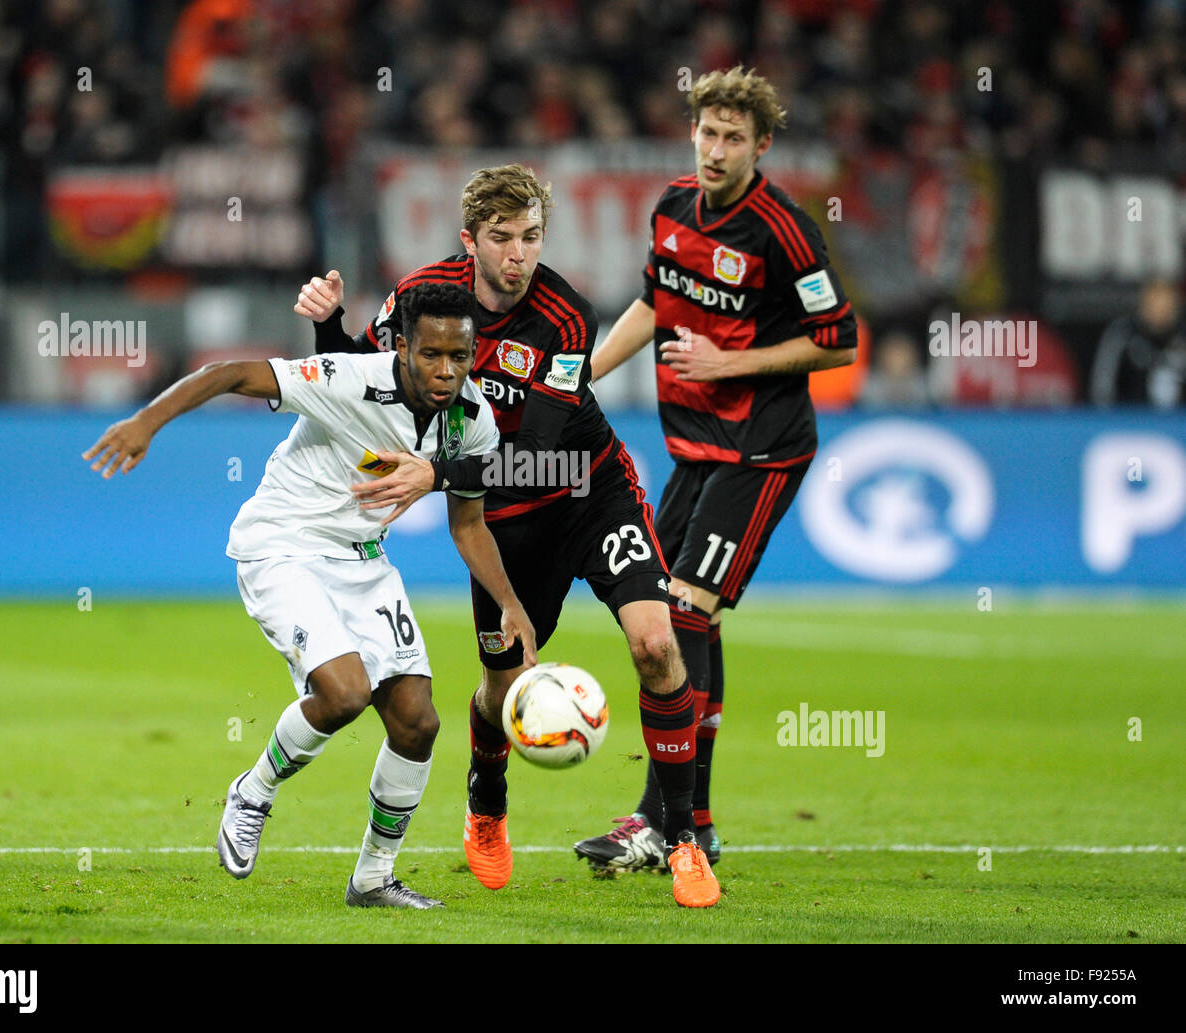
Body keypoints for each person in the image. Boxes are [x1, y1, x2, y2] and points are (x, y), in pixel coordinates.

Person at [293, 164, 720, 907]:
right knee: (502, 687)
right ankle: (487, 797)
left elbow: (541, 449)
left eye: (530, 237)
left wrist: (433, 470)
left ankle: (683, 839)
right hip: (506, 523)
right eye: (502, 238)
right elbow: (360, 375)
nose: (518, 254)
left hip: (588, 490)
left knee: (657, 644)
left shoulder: (564, 316)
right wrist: (327, 324)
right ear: (470, 241)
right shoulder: (425, 298)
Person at [82, 282, 537, 908]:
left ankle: (374, 878)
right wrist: (145, 421)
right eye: (431, 355)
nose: (445, 371)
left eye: (459, 357)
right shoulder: (347, 378)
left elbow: (468, 524)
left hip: (362, 560)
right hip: (283, 545)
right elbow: (230, 373)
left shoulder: (473, 417)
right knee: (345, 693)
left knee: (418, 722)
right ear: (402, 347)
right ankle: (254, 791)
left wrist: (510, 603)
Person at [576, 67, 857, 869]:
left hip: (762, 448)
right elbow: (654, 302)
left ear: (761, 147)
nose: (717, 148)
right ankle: (689, 820)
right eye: (708, 131)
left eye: (735, 137)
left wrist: (729, 363)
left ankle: (666, 819)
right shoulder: (671, 209)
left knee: (685, 613)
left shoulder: (785, 231)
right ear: (691, 132)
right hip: (692, 446)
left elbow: (839, 339)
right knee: (668, 615)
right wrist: (581, 375)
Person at [1090, 277, 1186, 408]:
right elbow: (1102, 387)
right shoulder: (1123, 333)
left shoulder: (1182, 336)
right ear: (1143, 306)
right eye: (1154, 305)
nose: (1160, 313)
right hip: (1130, 418)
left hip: (1179, 420)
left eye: (1166, 306)